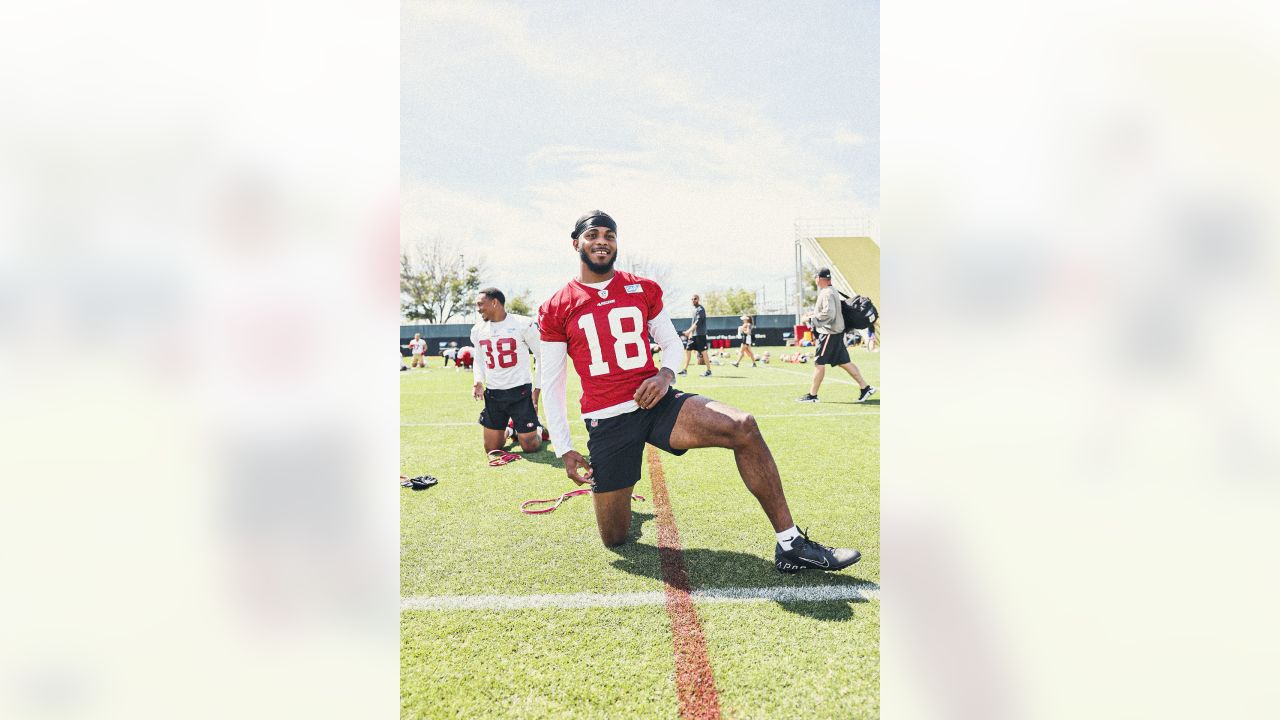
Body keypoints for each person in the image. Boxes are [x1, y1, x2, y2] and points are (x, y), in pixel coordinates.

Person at [539, 210, 859, 573]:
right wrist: (564, 448)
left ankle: (790, 543)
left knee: (743, 425)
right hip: (608, 420)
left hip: (657, 404)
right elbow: (552, 382)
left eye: (609, 235)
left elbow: (672, 345)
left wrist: (664, 375)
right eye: (593, 235)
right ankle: (623, 500)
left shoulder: (641, 288)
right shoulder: (556, 305)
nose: (602, 241)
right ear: (575, 243)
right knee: (616, 539)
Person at [470, 287, 544, 459]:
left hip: (520, 392)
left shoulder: (523, 324)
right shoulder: (478, 329)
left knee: (530, 446)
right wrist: (478, 381)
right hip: (494, 393)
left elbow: (542, 357)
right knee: (492, 449)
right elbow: (479, 359)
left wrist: (537, 391)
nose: (478, 309)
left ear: (495, 302)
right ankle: (511, 428)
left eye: (481, 304)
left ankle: (538, 427)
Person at [798, 268, 877, 403]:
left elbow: (829, 313)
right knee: (844, 362)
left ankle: (812, 395)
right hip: (835, 332)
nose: (815, 279)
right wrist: (813, 315)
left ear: (820, 278)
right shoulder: (831, 290)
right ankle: (866, 388)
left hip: (829, 333)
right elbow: (829, 311)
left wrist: (812, 320)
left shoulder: (827, 293)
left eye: (816, 277)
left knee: (819, 363)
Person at [677, 294, 711, 377]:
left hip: (700, 334)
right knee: (688, 350)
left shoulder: (700, 309)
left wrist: (688, 331)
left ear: (698, 299)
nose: (693, 300)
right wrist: (691, 334)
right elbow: (694, 323)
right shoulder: (694, 310)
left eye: (695, 299)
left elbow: (697, 322)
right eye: (692, 299)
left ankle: (709, 371)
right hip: (693, 335)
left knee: (703, 352)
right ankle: (684, 370)